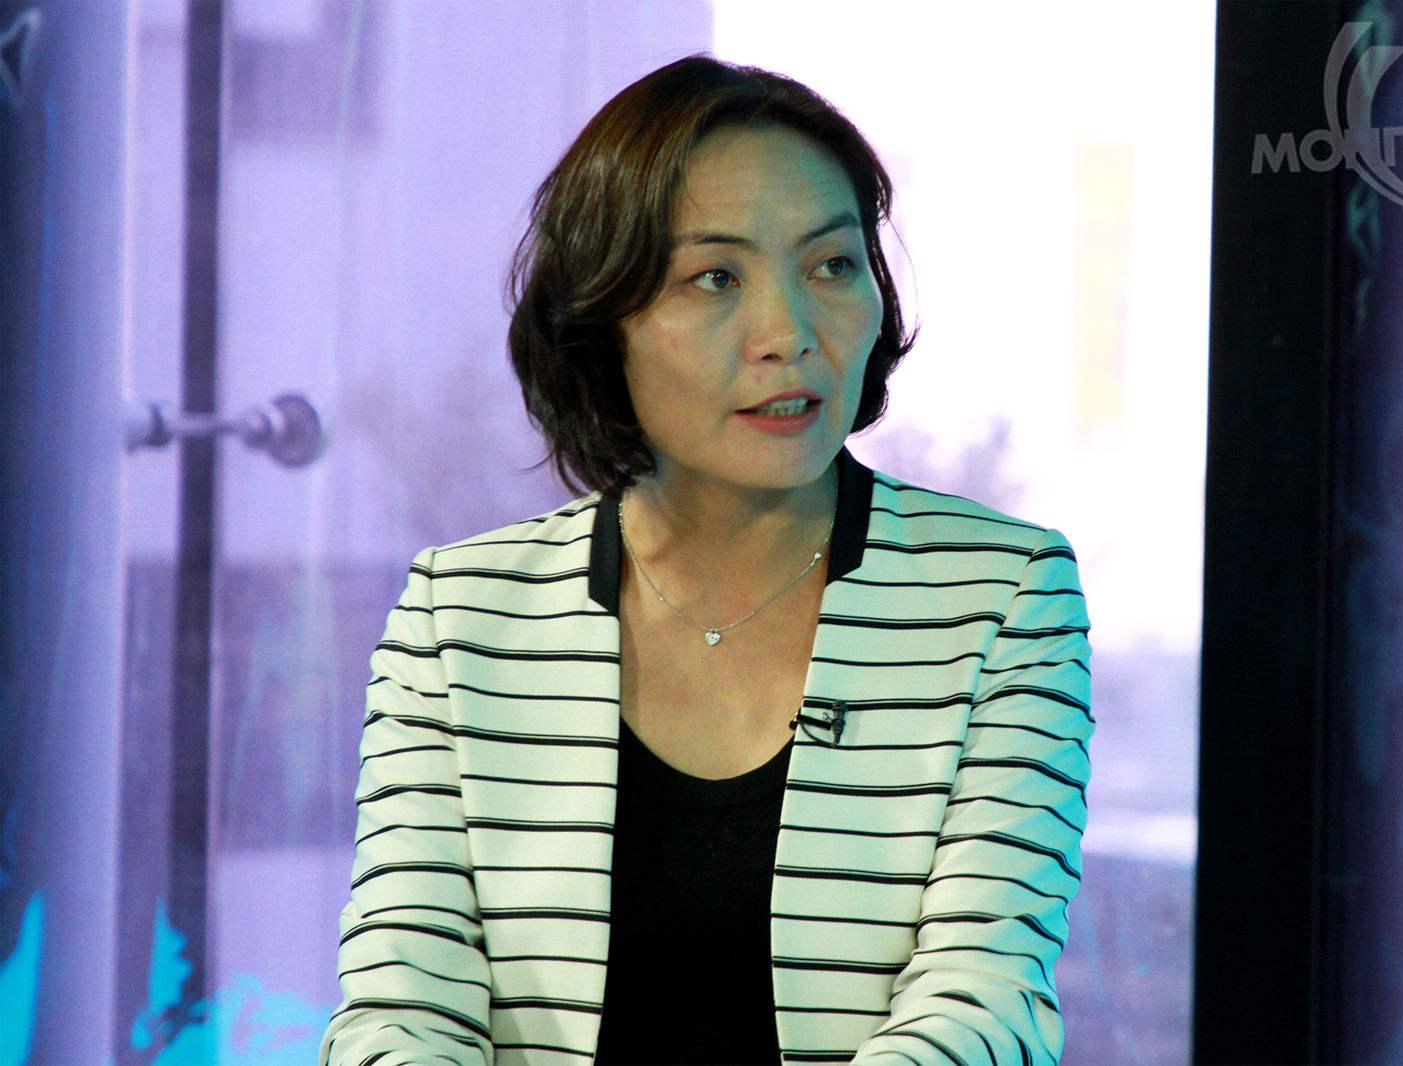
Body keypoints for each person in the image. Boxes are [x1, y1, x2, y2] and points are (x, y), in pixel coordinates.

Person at [319, 53, 1093, 1066]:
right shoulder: (459, 615)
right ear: (603, 322)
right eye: (715, 278)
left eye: (831, 265)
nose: (788, 333)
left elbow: (984, 1001)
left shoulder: (999, 595)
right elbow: (399, 1011)